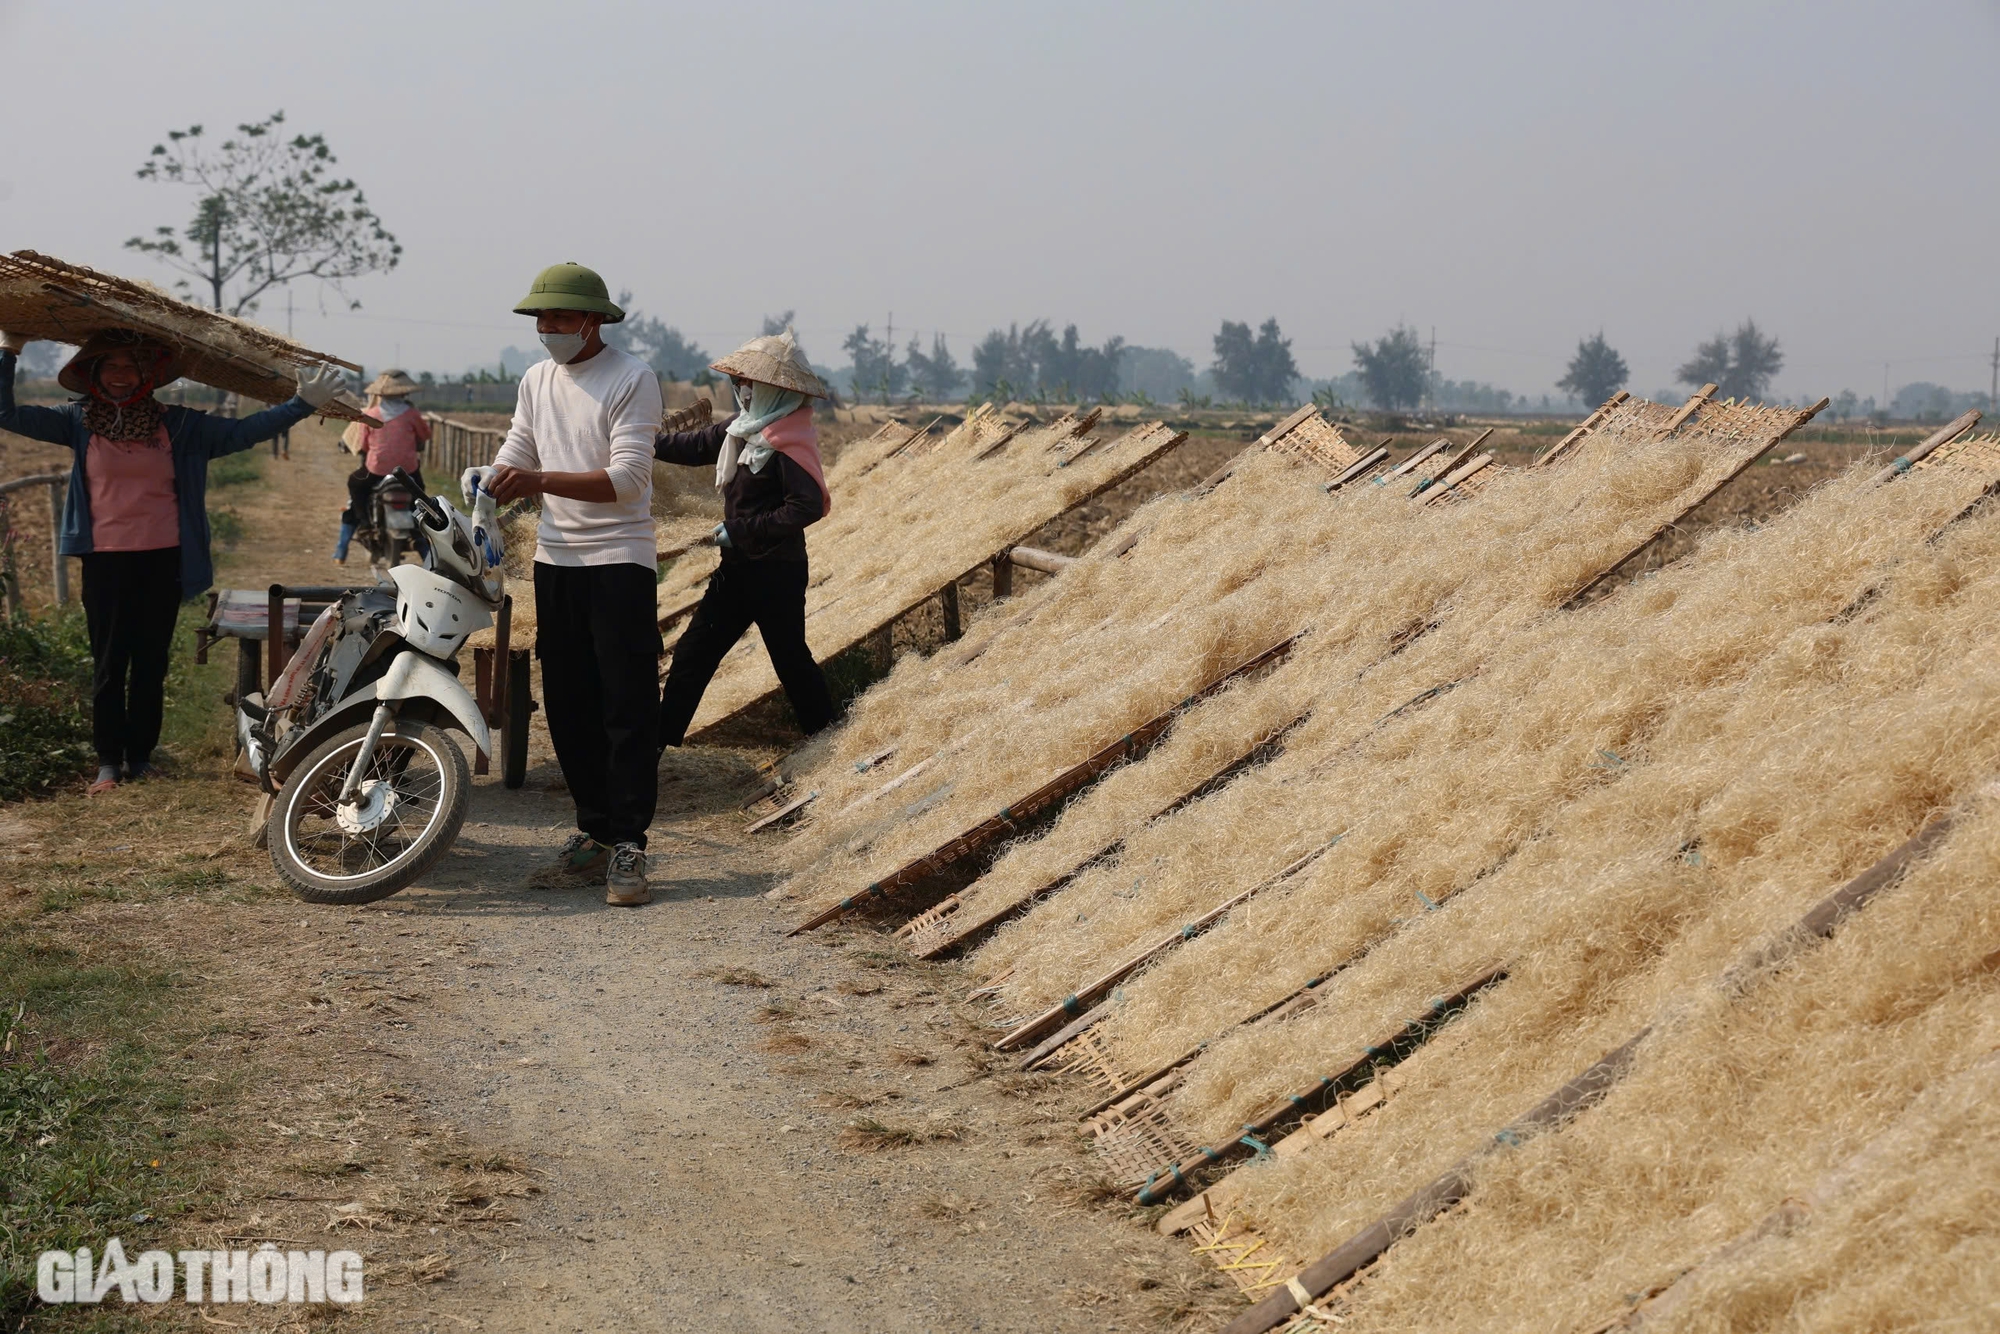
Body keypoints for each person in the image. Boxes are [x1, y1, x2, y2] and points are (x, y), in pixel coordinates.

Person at [0, 328, 343, 793]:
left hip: (163, 559)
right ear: (93, 374)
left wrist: (302, 403)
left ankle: (139, 757)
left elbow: (244, 433)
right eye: (111, 366)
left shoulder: (178, 425)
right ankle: (107, 761)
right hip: (104, 561)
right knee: (108, 660)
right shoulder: (76, 422)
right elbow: (5, 413)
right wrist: (9, 350)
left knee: (150, 660)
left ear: (147, 376)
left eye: (130, 367)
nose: (121, 375)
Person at [468, 264, 662, 907]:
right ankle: (594, 831)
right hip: (558, 561)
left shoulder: (632, 378)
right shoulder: (537, 379)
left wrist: (539, 482)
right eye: (539, 320)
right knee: (570, 703)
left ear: (593, 320)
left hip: (619, 560)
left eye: (556, 319)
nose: (545, 330)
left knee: (626, 704)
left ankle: (630, 840)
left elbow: (629, 479)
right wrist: (493, 477)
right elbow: (520, 447)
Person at [655, 330, 836, 750]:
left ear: (773, 390)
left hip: (777, 572)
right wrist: (643, 444)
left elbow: (806, 507)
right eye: (739, 381)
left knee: (790, 662)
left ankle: (828, 741)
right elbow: (694, 444)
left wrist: (741, 529)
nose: (741, 389)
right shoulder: (742, 429)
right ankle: (655, 747)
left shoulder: (788, 441)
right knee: (693, 655)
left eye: (748, 383)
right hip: (738, 570)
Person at [335, 368, 432, 564]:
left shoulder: (370, 414)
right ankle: (425, 548)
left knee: (355, 484)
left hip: (376, 469)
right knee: (419, 496)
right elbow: (425, 436)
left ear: (379, 394)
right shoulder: (412, 413)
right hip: (408, 472)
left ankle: (363, 523)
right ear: (404, 392)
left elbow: (362, 445)